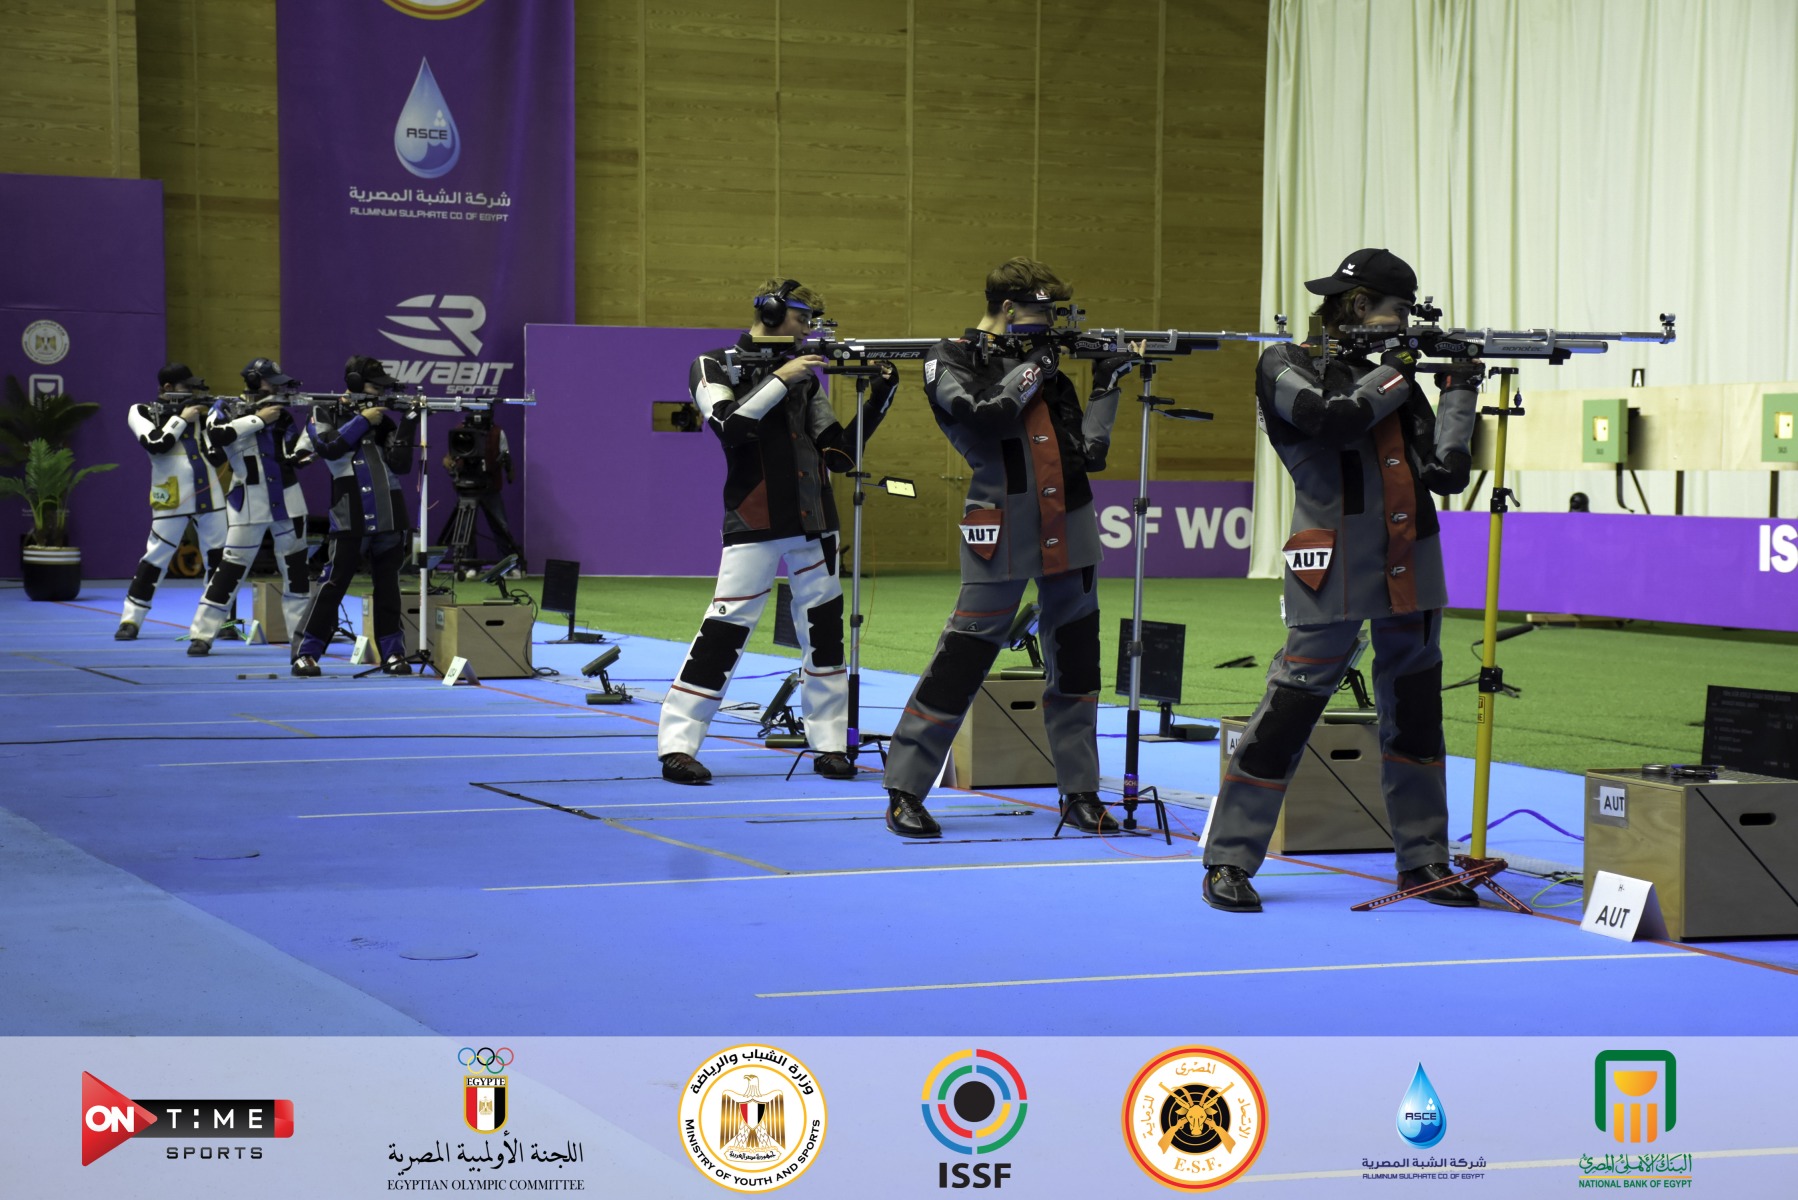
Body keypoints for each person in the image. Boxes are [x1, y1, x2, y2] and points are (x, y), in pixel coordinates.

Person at [1200, 248, 1481, 913]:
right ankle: (1228, 858)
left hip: (1413, 556)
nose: (1406, 324)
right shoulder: (1284, 362)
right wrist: (1400, 368)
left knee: (1416, 711)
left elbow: (1445, 474)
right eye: (1399, 310)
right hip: (1330, 557)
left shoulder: (1392, 376)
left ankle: (1424, 859)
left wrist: (1460, 390)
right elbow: (1331, 417)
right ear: (1358, 306)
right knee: (1291, 706)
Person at [880, 257, 1141, 839]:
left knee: (1077, 662)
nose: (1053, 324)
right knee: (963, 657)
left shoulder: (1046, 370)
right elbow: (984, 413)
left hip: (1071, 523)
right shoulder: (948, 358)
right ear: (1006, 308)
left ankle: (1080, 792)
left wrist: (1107, 386)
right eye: (1043, 312)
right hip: (999, 525)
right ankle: (905, 788)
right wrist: (1037, 365)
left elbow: (1089, 454)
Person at [657, 278, 897, 785]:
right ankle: (677, 745)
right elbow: (729, 426)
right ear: (768, 311)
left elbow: (838, 453)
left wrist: (879, 398)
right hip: (754, 519)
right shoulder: (713, 364)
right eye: (802, 317)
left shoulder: (803, 376)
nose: (808, 329)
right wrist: (783, 378)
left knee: (825, 636)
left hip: (816, 522)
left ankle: (830, 744)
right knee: (724, 631)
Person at [290, 356, 419, 677]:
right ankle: (305, 652)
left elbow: (401, 465)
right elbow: (327, 447)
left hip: (389, 510)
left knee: (388, 586)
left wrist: (409, 421)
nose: (381, 393)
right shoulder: (324, 410)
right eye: (376, 387)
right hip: (350, 512)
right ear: (356, 383)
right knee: (333, 584)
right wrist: (362, 420)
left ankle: (393, 652)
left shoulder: (384, 421)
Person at [185, 357, 315, 656]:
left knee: (296, 571)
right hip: (247, 502)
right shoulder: (224, 408)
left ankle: (302, 638)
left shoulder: (282, 415)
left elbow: (295, 454)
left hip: (289, 502)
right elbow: (216, 439)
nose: (277, 389)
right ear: (255, 381)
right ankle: (202, 634)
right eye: (272, 383)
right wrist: (259, 419)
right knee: (229, 569)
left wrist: (310, 441)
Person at [116, 363, 229, 639]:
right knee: (155, 559)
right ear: (168, 388)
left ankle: (221, 621)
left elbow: (216, 457)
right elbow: (156, 444)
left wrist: (219, 425)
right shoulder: (141, 411)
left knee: (220, 560)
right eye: (186, 387)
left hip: (210, 494)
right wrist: (181, 418)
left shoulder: (199, 415)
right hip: (171, 496)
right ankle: (130, 619)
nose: (192, 392)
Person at [439, 408, 523, 574]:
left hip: (490, 485)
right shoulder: (460, 430)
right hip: (467, 486)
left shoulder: (498, 432)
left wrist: (509, 471)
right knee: (465, 528)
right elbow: (450, 456)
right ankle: (469, 565)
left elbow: (505, 455)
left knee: (501, 525)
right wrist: (449, 464)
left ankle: (508, 565)